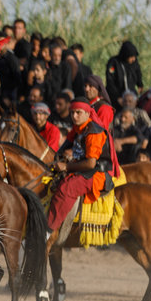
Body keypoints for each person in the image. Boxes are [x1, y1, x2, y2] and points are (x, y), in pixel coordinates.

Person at [47, 97, 120, 232]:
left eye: (78, 112)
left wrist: (66, 167)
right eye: (72, 113)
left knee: (66, 188)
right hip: (82, 169)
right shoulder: (77, 128)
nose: (74, 116)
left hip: (97, 173)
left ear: (87, 113)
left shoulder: (94, 132)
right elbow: (62, 149)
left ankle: (48, 230)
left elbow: (91, 163)